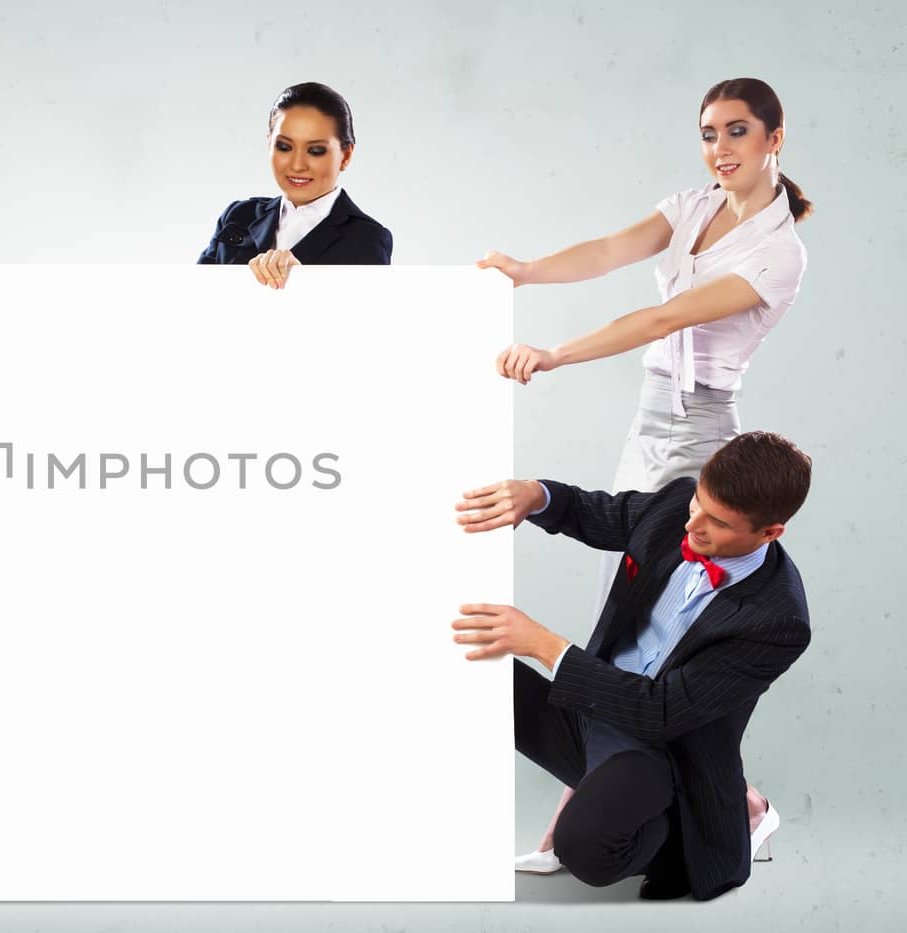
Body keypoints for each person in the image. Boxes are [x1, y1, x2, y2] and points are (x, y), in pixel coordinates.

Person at [475, 77, 812, 872]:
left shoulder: (780, 250)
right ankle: (639, 783)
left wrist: (553, 353)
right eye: (707, 133)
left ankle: (714, 807)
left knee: (670, 623)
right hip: (649, 417)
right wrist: (524, 272)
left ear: (775, 137)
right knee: (620, 610)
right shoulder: (692, 205)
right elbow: (609, 250)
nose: (720, 149)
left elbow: (663, 317)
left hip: (702, 431)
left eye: (736, 132)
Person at [452, 431, 813, 900]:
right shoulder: (680, 506)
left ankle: (699, 826)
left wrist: (544, 645)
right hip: (586, 710)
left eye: (717, 523)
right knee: (463, 665)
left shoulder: (777, 620)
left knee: (583, 848)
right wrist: (535, 495)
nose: (693, 526)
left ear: (770, 533)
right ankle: (613, 794)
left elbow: (659, 712)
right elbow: (595, 511)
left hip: (657, 746)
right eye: (696, 503)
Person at [197, 81, 392, 286]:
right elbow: (194, 297)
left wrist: (301, 282)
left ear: (345, 155)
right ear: (269, 144)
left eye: (316, 151)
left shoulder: (367, 238)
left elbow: (366, 315)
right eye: (284, 147)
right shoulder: (239, 216)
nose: (297, 165)